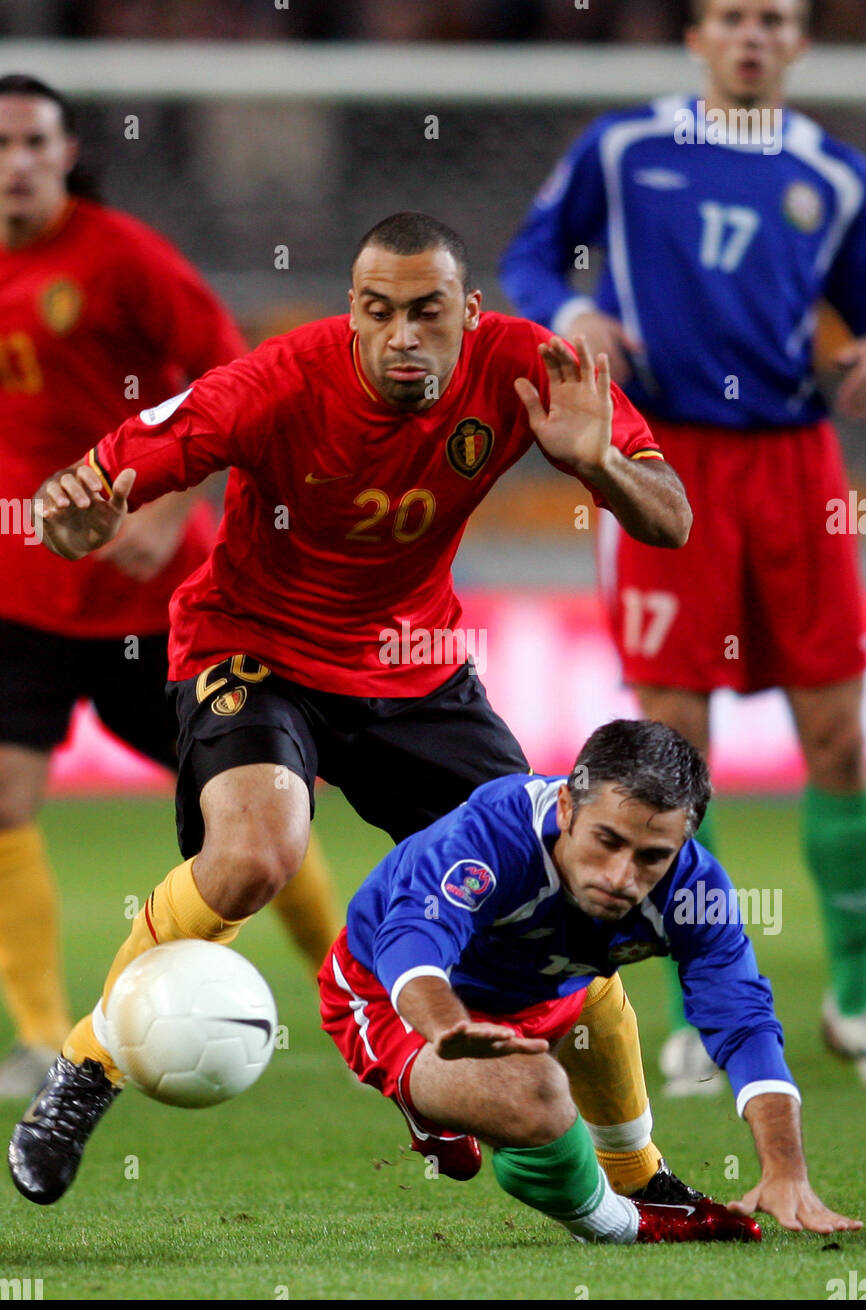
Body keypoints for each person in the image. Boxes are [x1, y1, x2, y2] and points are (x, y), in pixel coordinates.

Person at [9, 210, 694, 1207]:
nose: (400, 337)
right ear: (351, 313)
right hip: (252, 647)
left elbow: (668, 518)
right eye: (377, 313)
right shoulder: (281, 379)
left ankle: (643, 1178)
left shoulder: (528, 366)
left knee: (556, 891)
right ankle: (84, 1071)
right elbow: (115, 472)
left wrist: (597, 464)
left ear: (469, 312)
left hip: (414, 670)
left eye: (424, 313)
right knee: (252, 856)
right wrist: (75, 516)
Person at [500, 0, 866, 1092]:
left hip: (794, 463)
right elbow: (530, 258)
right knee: (668, 749)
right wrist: (570, 306)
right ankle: (687, 1009)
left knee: (838, 734)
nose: (749, 34)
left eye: (772, 18)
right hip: (661, 459)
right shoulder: (622, 147)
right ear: (695, 37)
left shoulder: (833, 177)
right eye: (727, 15)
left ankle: (850, 986)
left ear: (798, 44)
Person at [0, 74, 341, 1096]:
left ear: (67, 155)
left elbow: (228, 373)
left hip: (152, 600)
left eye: (33, 143)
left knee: (251, 811)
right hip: (20, 585)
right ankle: (41, 1033)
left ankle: (346, 982)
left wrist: (161, 509)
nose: (14, 162)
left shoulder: (122, 260)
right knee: (4, 798)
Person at [320, 718, 861, 1242]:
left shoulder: (696, 892)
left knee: (597, 987)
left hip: (543, 986)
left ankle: (640, 1178)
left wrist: (785, 1167)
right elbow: (410, 941)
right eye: (607, 840)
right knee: (538, 1094)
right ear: (565, 807)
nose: (621, 877)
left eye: (652, 857)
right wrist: (445, 1027)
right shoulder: (492, 835)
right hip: (393, 998)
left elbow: (742, 1021)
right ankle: (629, 1226)